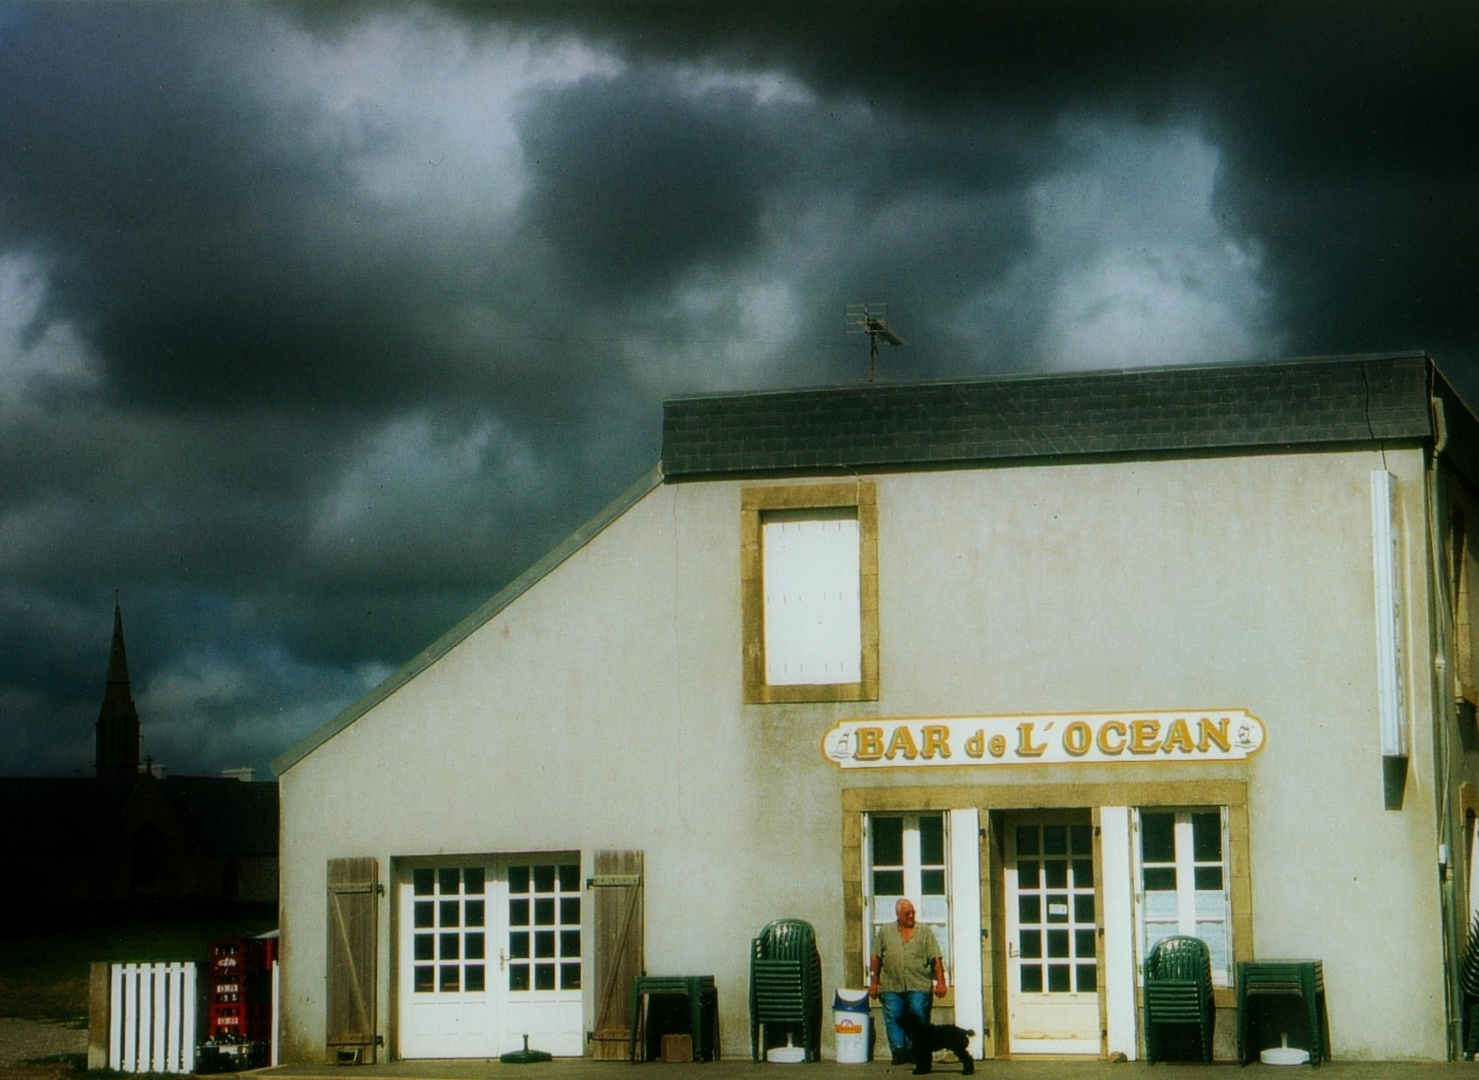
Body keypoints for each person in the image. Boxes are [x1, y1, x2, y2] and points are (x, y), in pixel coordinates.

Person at [868, 898, 948, 1064]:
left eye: (913, 912)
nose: (911, 916)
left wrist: (941, 982)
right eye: (907, 913)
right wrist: (874, 982)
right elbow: (876, 957)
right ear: (898, 915)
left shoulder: (924, 931)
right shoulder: (885, 931)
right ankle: (899, 1051)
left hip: (919, 983)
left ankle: (915, 1049)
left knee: (918, 1014)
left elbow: (936, 958)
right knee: (894, 1016)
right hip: (890, 983)